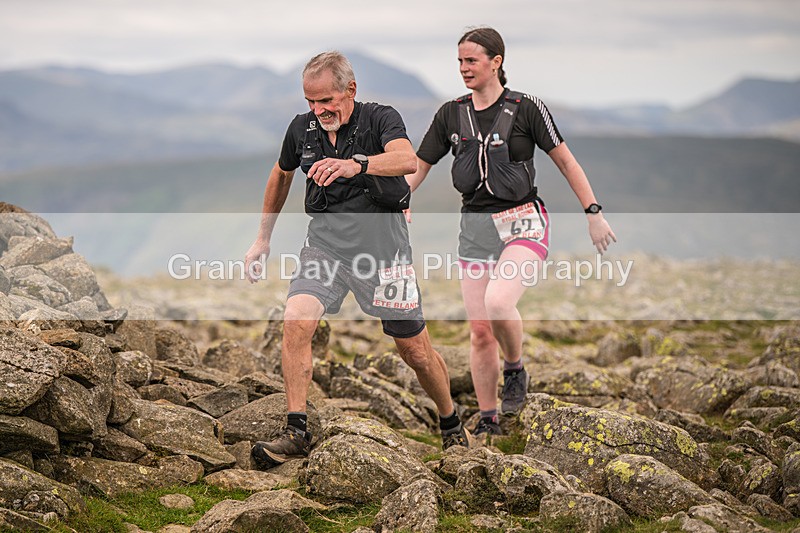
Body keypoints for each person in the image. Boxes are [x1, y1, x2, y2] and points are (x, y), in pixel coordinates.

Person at [244, 51, 469, 468]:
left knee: (414, 351)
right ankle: (296, 430)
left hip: (384, 248)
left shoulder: (380, 118)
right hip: (325, 244)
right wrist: (262, 238)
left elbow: (405, 160)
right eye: (311, 102)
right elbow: (281, 173)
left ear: (350, 90)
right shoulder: (302, 128)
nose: (319, 110)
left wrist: (355, 165)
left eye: (327, 100)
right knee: (296, 320)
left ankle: (451, 422)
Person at [406, 27, 616, 441]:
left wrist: (593, 212)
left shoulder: (526, 108)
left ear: (496, 62)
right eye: (460, 62)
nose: (464, 68)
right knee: (480, 331)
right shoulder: (451, 113)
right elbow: (420, 164)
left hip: (524, 219)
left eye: (472, 61)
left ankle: (515, 368)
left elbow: (566, 162)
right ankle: (489, 418)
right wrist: (399, 199)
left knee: (499, 301)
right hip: (474, 227)